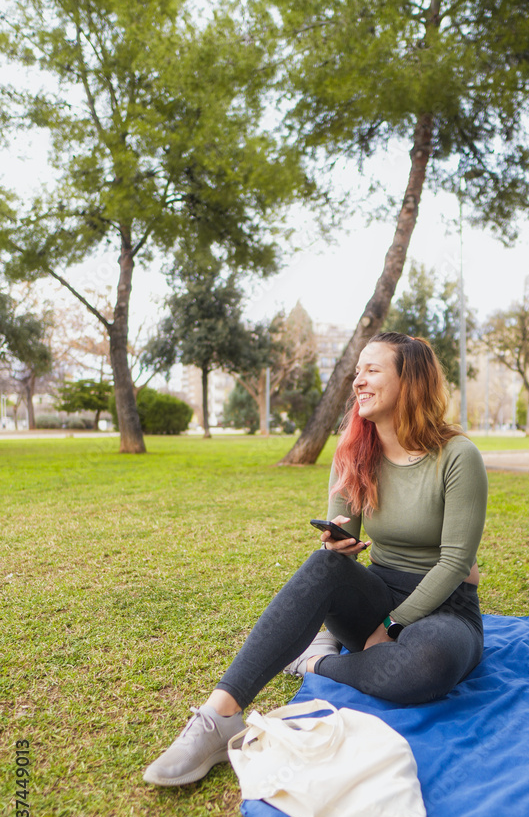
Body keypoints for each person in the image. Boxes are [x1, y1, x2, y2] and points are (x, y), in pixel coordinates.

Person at [143, 332, 488, 787]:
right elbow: (339, 543)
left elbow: (453, 563)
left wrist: (391, 626)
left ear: (411, 381)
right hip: (378, 590)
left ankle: (313, 662)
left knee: (425, 667)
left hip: (447, 607)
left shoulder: (458, 457)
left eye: (372, 370)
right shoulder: (355, 450)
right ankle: (218, 716)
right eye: (357, 370)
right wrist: (336, 543)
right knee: (323, 565)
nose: (357, 381)